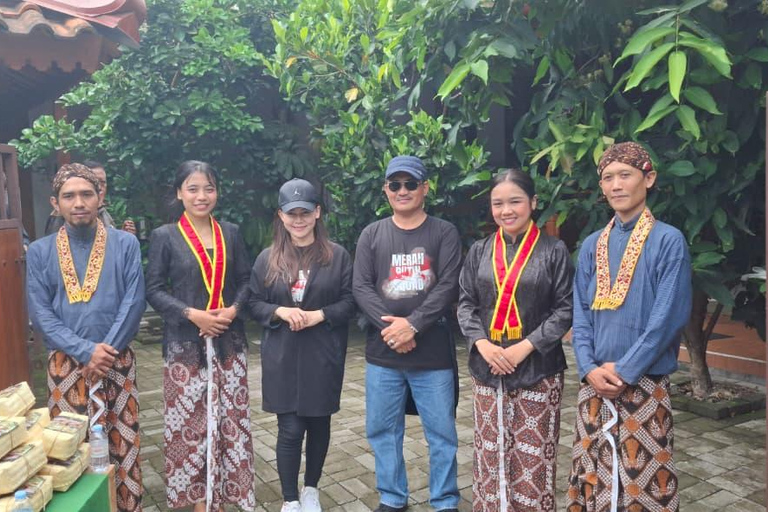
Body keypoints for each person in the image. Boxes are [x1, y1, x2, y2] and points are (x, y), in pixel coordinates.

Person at [566, 142, 692, 512]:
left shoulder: (668, 240)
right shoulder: (591, 245)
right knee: (592, 474)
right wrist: (588, 368)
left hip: (645, 382)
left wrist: (624, 369)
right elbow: (581, 314)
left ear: (648, 178)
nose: (616, 185)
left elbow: (666, 318)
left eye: (626, 175)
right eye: (608, 177)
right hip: (595, 385)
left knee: (645, 483)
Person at [26, 163, 145, 512]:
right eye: (69, 196)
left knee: (123, 445)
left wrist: (103, 354)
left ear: (100, 197)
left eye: (86, 194)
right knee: (69, 452)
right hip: (66, 366)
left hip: (117, 362)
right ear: (55, 203)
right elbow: (41, 314)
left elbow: (134, 301)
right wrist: (84, 351)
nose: (78, 202)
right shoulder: (40, 251)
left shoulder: (125, 244)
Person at [457, 169, 574, 512]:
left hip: (539, 368)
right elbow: (465, 304)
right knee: (490, 457)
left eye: (515, 201)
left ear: (533, 203)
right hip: (487, 367)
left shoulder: (554, 250)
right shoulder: (479, 251)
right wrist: (483, 345)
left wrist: (524, 347)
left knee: (533, 460)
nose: (506, 210)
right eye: (498, 203)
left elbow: (565, 309)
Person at [145, 161, 255, 512]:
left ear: (217, 192)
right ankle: (196, 501)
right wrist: (193, 315)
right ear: (179, 193)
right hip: (185, 347)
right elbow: (154, 289)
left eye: (208, 188)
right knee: (189, 426)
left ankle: (224, 496)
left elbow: (247, 280)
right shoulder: (165, 236)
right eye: (192, 189)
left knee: (230, 422)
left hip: (227, 342)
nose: (201, 196)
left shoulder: (231, 233)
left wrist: (234, 310)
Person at [353, 155, 462, 512]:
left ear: (424, 188)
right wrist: (393, 330)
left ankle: (445, 500)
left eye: (410, 184)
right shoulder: (372, 234)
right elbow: (361, 287)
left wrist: (412, 325)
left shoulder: (443, 232)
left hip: (432, 354)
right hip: (383, 354)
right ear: (386, 190)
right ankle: (392, 497)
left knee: (442, 435)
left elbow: (447, 286)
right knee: (383, 431)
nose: (403, 191)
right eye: (395, 184)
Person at [249, 178, 355, 512]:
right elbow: (252, 302)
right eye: (291, 213)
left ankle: (311, 489)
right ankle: (290, 499)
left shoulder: (336, 256)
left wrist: (321, 315)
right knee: (290, 429)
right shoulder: (268, 258)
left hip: (322, 354)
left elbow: (352, 301)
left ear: (317, 213)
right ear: (281, 216)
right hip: (282, 355)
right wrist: (278, 310)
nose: (299, 220)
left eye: (305, 212)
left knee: (319, 424)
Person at [45, 160, 136, 236]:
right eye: (94, 181)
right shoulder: (63, 213)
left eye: (102, 182)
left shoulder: (105, 210)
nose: (99, 187)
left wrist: (122, 236)